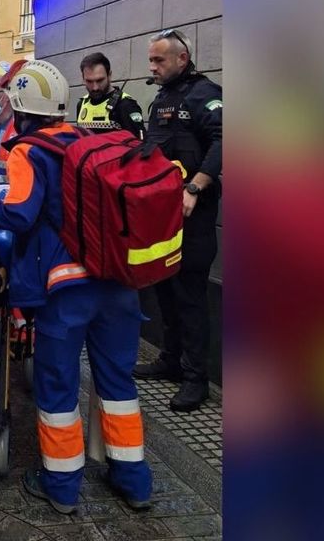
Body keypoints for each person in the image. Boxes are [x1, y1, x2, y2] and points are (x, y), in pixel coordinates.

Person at [0, 60, 153, 514]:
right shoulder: (85, 140)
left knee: (57, 388)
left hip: (67, 290)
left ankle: (62, 487)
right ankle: (135, 482)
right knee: (118, 386)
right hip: (118, 285)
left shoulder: (30, 151)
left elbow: (18, 215)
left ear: (22, 109)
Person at [132, 29, 222, 412]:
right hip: (163, 215)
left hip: (194, 216)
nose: (152, 66)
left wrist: (196, 186)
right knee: (165, 290)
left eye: (158, 60)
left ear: (181, 59)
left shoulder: (206, 95)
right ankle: (170, 360)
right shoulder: (162, 99)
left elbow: (225, 141)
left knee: (190, 298)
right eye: (151, 60)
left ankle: (195, 379)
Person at [75, 52, 146, 139]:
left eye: (100, 80)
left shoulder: (125, 105)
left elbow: (139, 146)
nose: (95, 88)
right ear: (83, 79)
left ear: (109, 75)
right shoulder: (81, 104)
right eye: (89, 81)